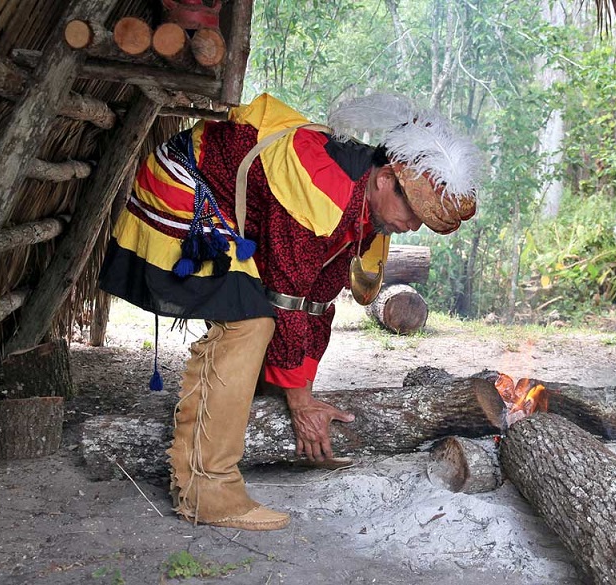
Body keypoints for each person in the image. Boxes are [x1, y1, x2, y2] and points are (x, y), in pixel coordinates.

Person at [98, 92, 480, 531]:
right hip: (187, 183)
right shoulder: (320, 191)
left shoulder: (365, 214)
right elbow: (285, 295)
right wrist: (300, 404)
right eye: (414, 212)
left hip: (233, 211)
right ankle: (208, 490)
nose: (413, 227)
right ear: (385, 178)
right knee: (250, 321)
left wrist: (304, 390)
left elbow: (316, 302)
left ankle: (255, 410)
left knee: (277, 320)